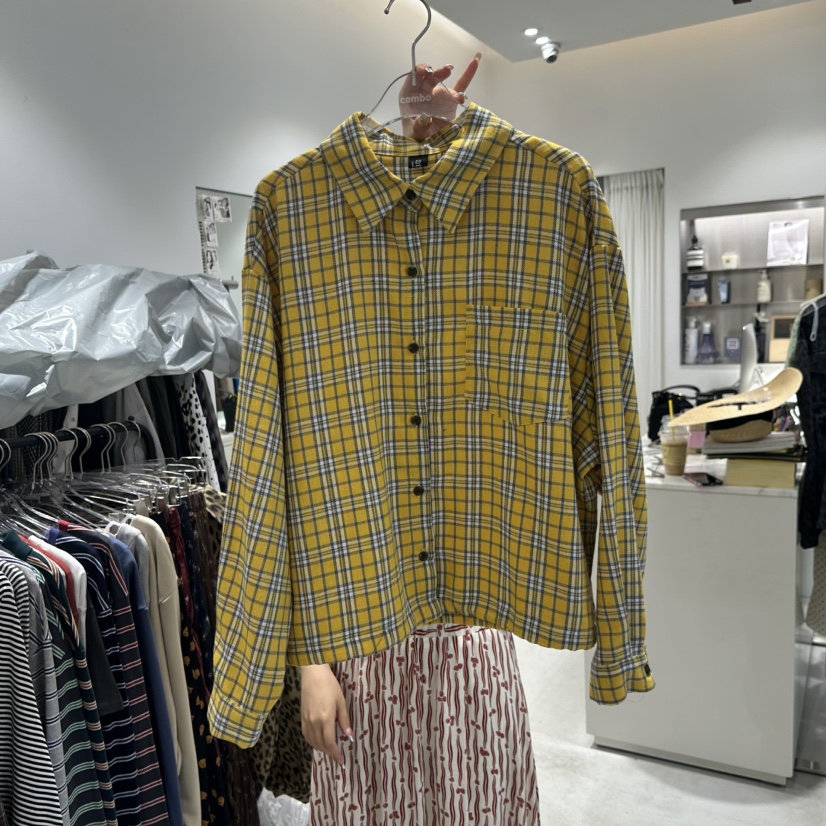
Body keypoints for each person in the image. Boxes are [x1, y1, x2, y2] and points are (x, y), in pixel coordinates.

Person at [300, 55, 541, 825]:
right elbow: (297, 507)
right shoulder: (329, 306)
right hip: (362, 655)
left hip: (470, 652)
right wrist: (310, 663)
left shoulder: (496, 300)